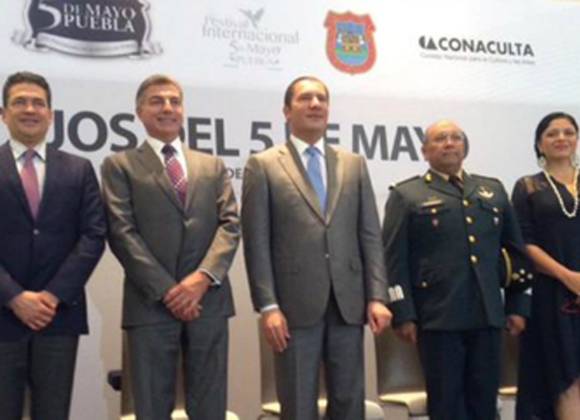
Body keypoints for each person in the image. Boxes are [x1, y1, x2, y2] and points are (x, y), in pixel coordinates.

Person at [242, 76, 392, 420]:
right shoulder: (263, 164)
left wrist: (377, 296)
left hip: (348, 302)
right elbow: (257, 242)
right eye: (305, 98)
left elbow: (370, 234)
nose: (315, 104)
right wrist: (268, 305)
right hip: (293, 306)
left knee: (349, 402)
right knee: (297, 403)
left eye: (321, 99)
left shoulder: (353, 163)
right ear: (286, 111)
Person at [101, 74, 240, 420]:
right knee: (151, 407)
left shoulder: (212, 165)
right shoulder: (119, 166)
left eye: (174, 101)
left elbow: (230, 225)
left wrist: (201, 279)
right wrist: (169, 291)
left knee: (210, 408)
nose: (167, 108)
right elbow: (121, 232)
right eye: (157, 101)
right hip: (150, 305)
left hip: (208, 302)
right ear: (139, 112)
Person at [382, 119, 530, 420]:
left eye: (455, 138)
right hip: (438, 318)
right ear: (424, 151)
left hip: (488, 315)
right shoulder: (407, 194)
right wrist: (403, 313)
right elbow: (394, 260)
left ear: (464, 147)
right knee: (446, 403)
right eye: (439, 139)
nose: (449, 143)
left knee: (485, 403)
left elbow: (516, 254)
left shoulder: (492, 190)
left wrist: (517, 306)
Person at [0, 71, 106, 419]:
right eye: (20, 102)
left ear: (51, 114)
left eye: (38, 103)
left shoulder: (79, 169)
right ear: (3, 114)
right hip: (2, 313)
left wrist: (52, 296)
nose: (30, 109)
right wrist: (14, 296)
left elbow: (94, 235)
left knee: (53, 413)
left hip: (57, 315)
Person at [512, 112, 580, 420]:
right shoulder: (528, 187)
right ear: (539, 144)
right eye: (552, 133)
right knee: (563, 376)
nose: (561, 138)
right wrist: (569, 278)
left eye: (568, 132)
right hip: (550, 294)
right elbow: (524, 243)